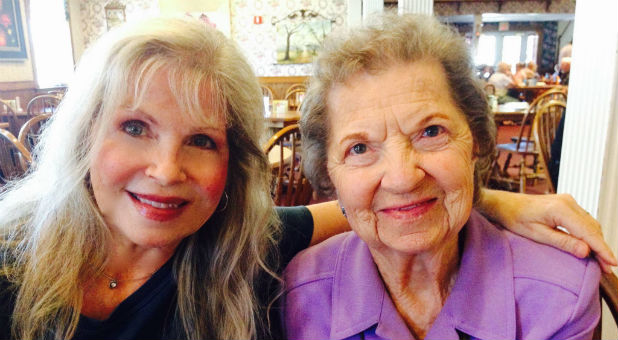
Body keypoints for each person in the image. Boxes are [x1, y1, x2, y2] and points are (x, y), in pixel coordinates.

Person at [0, 16, 614, 340]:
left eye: (201, 141)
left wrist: (481, 199)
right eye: (134, 127)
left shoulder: (236, 248)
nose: (165, 171)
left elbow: (382, 206)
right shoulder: (9, 263)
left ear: (232, 165)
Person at [284, 14, 603, 340]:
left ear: (476, 140)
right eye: (360, 148)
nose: (403, 178)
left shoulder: (558, 298)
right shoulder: (297, 296)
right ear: (328, 174)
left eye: (431, 131)